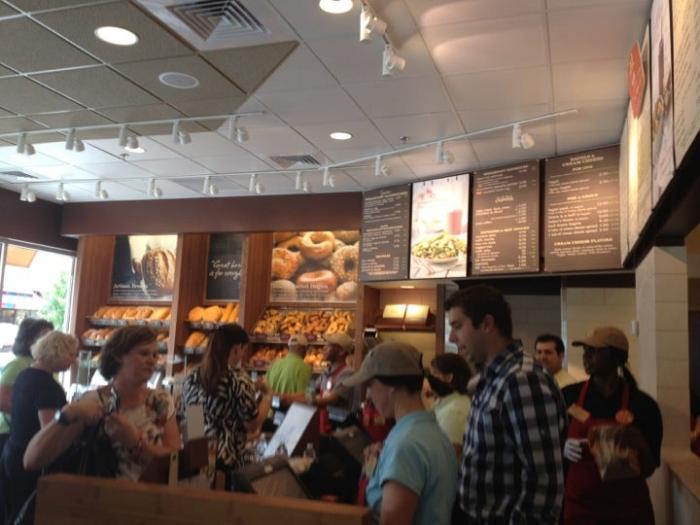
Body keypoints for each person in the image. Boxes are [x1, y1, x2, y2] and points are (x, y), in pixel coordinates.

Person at [445, 285, 567, 524]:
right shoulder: (495, 376)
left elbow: (543, 482)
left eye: (457, 326)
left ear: (487, 324)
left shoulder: (522, 380)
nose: (452, 338)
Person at [23, 326, 180, 482]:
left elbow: (177, 463)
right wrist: (67, 413)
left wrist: (136, 443)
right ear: (118, 356)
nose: (152, 360)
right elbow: (32, 460)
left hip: (152, 495)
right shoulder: (93, 403)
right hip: (100, 495)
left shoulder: (161, 401)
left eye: (155, 355)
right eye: (144, 353)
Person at [343, 341, 458, 525]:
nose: (368, 395)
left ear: (391, 386)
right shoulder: (431, 431)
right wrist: (377, 467)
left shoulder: (405, 445)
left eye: (370, 385)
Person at [562, 326, 662, 525]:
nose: (586, 356)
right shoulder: (568, 396)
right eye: (585, 350)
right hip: (581, 509)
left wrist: (638, 442)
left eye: (594, 351)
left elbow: (650, 468)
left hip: (629, 511)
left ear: (616, 358)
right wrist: (562, 446)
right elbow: (550, 447)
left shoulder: (642, 405)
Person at [1, 330, 76, 524]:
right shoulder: (46, 385)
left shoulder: (25, 374)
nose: (74, 360)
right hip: (30, 459)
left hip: (13, 450)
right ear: (57, 352)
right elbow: (50, 431)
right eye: (71, 354)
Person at [181, 324, 272, 472]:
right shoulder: (238, 379)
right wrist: (267, 396)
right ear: (236, 349)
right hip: (225, 459)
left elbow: (194, 419)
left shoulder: (192, 375)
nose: (242, 355)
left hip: (194, 453)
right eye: (243, 350)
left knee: (200, 485)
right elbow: (252, 424)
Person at [0, 318, 54, 451]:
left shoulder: (46, 365)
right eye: (45, 337)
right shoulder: (18, 365)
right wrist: (33, 414)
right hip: (11, 434)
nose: (51, 342)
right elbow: (2, 400)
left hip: (32, 434)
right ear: (29, 340)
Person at [425, 353, 471, 455]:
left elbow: (449, 456)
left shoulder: (454, 412)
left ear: (449, 377)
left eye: (434, 374)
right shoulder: (443, 401)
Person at [310, 332, 355, 433]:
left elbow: (332, 399)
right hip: (323, 424)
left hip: (337, 429)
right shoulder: (327, 372)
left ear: (341, 351)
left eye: (329, 345)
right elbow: (312, 390)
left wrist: (305, 399)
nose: (324, 348)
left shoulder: (347, 373)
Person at [266, 334, 312, 401]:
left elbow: (266, 389)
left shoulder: (274, 365)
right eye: (305, 349)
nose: (306, 352)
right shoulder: (305, 368)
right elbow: (305, 397)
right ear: (300, 348)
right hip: (292, 407)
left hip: (271, 406)